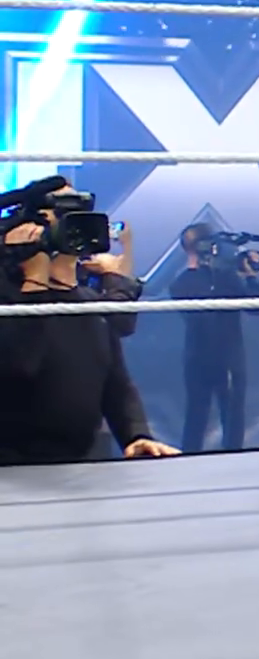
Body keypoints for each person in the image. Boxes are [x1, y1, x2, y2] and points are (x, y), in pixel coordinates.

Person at [0, 192, 177, 465]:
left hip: (79, 466)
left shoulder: (90, 303)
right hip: (12, 467)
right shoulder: (9, 297)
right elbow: (19, 364)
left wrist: (136, 435)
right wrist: (34, 276)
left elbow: (116, 381)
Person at [171, 222, 259, 452]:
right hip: (202, 357)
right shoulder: (183, 283)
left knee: (232, 416)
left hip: (227, 358)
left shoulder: (224, 278)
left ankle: (232, 459)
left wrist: (250, 276)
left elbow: (257, 307)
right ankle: (189, 459)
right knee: (197, 415)